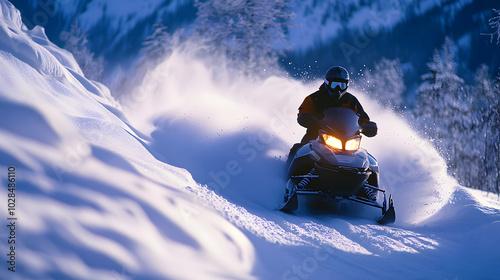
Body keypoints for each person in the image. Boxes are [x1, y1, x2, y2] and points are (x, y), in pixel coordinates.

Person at [297, 65, 371, 144]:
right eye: (334, 85)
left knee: (363, 155)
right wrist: (309, 119)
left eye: (342, 85)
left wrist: (367, 126)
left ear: (347, 85)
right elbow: (303, 113)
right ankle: (290, 156)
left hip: (348, 139)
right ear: (327, 83)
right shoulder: (314, 98)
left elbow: (363, 118)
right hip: (316, 136)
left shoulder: (351, 100)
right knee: (299, 149)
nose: (338, 89)